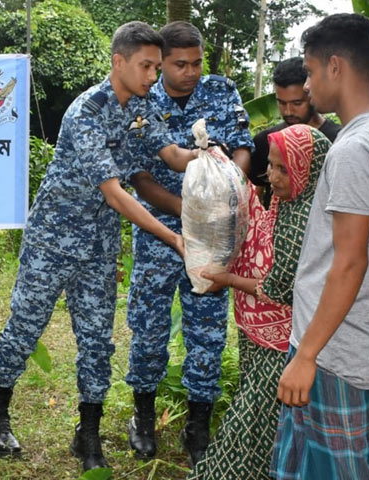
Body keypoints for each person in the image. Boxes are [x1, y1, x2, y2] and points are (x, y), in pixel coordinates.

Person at [0, 21, 198, 473]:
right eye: (146, 66)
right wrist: (174, 237)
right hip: (52, 239)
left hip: (98, 243)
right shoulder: (87, 111)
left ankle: (88, 433)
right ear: (119, 62)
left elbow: (172, 155)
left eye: (157, 67)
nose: (154, 76)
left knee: (98, 339)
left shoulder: (141, 106)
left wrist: (209, 158)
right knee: (25, 328)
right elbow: (115, 193)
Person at [270, 13, 369, 480]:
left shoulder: (355, 150)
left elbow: (350, 262)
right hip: (353, 345)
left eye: (311, 72)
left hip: (335, 354)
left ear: (335, 66)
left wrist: (306, 356)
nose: (307, 86)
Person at [125, 20, 254, 466]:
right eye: (180, 64)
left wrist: (224, 195)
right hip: (160, 232)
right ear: (161, 63)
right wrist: (191, 212)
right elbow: (140, 178)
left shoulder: (222, 91)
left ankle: (198, 426)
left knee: (208, 332)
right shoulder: (143, 99)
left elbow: (242, 149)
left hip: (215, 234)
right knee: (148, 328)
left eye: (197, 62)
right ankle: (143, 417)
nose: (191, 72)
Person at [187, 124, 331, 480]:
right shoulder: (286, 201)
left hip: (285, 343)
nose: (272, 176)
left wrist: (227, 279)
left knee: (246, 425)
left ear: (309, 169)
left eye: (284, 169)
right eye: (271, 165)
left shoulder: (306, 219)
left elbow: (279, 288)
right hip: (259, 332)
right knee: (269, 423)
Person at [249, 56, 341, 207]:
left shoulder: (337, 140)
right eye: (281, 103)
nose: (288, 111)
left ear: (311, 93)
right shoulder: (265, 141)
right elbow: (255, 195)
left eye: (297, 103)